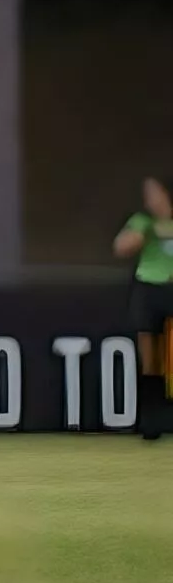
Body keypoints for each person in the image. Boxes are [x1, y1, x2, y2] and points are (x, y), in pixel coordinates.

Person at [113, 176, 173, 440]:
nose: (150, 199)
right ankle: (151, 422)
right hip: (148, 290)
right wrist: (146, 232)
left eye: (155, 193)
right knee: (150, 358)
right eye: (147, 194)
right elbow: (121, 247)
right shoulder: (141, 221)